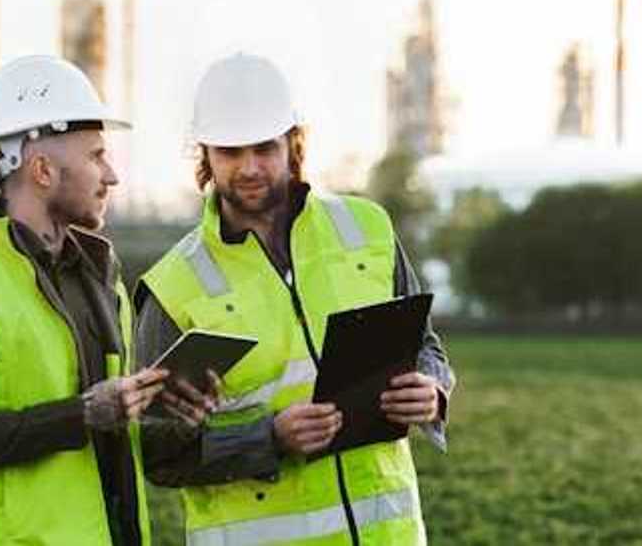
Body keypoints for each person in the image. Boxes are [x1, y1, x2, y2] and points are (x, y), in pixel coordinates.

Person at [135, 53, 456, 545]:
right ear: (204, 156)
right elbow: (159, 453)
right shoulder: (175, 286)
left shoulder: (366, 229)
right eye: (229, 152)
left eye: (264, 147)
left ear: (293, 142)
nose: (249, 168)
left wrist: (431, 392)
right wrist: (268, 439)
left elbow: (427, 347)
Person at [0, 55, 168, 545]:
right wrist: (80, 415)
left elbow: (110, 429)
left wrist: (168, 406)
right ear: (42, 169)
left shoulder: (100, 276)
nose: (111, 175)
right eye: (95, 156)